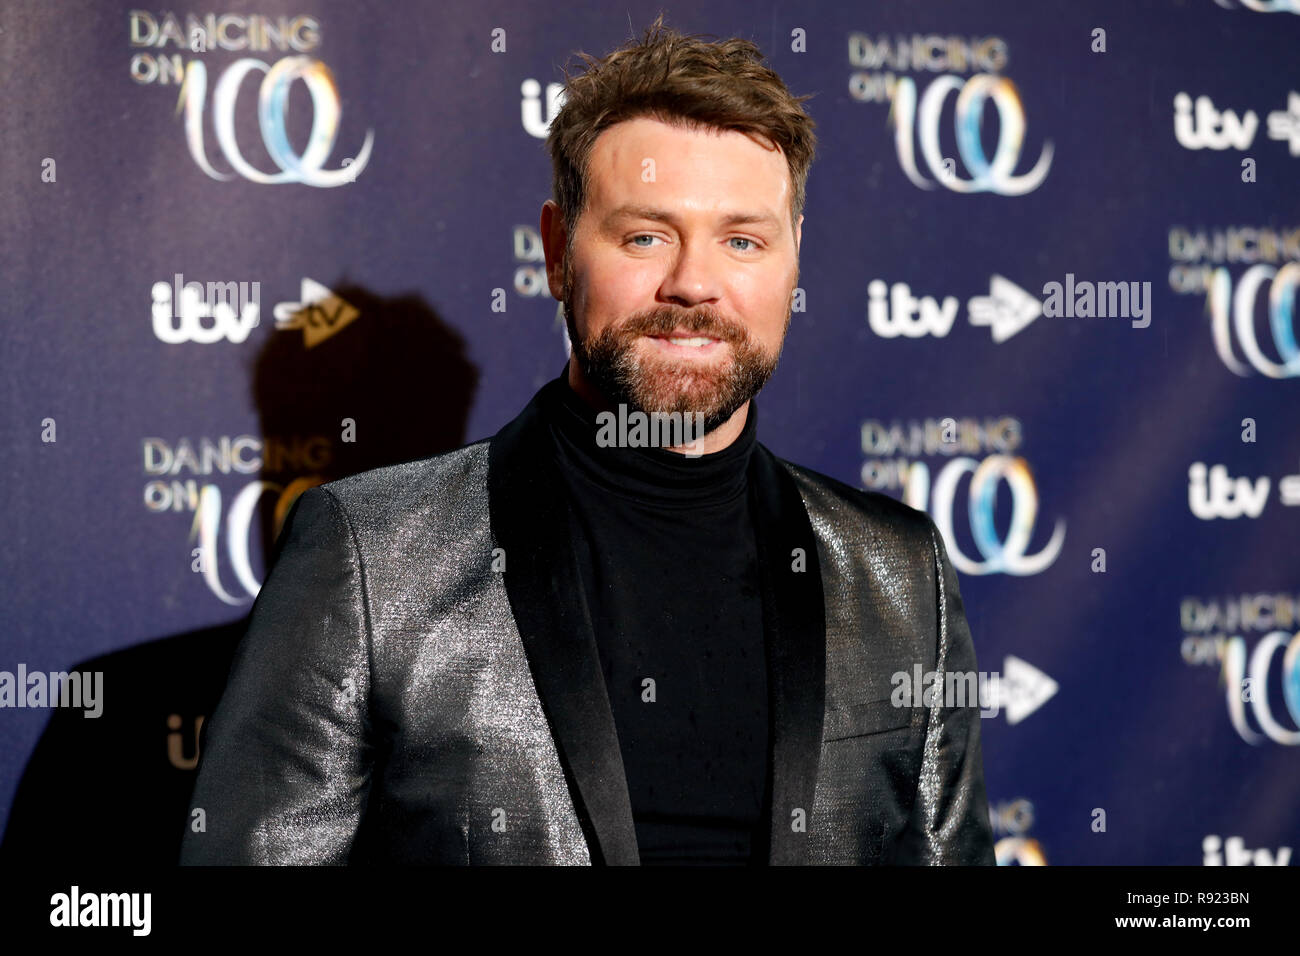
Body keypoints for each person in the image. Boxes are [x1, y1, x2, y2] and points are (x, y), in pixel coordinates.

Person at [180, 16, 996, 866]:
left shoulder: (900, 576)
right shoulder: (371, 558)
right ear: (558, 253)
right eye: (645, 236)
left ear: (793, 263)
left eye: (742, 240)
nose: (694, 284)